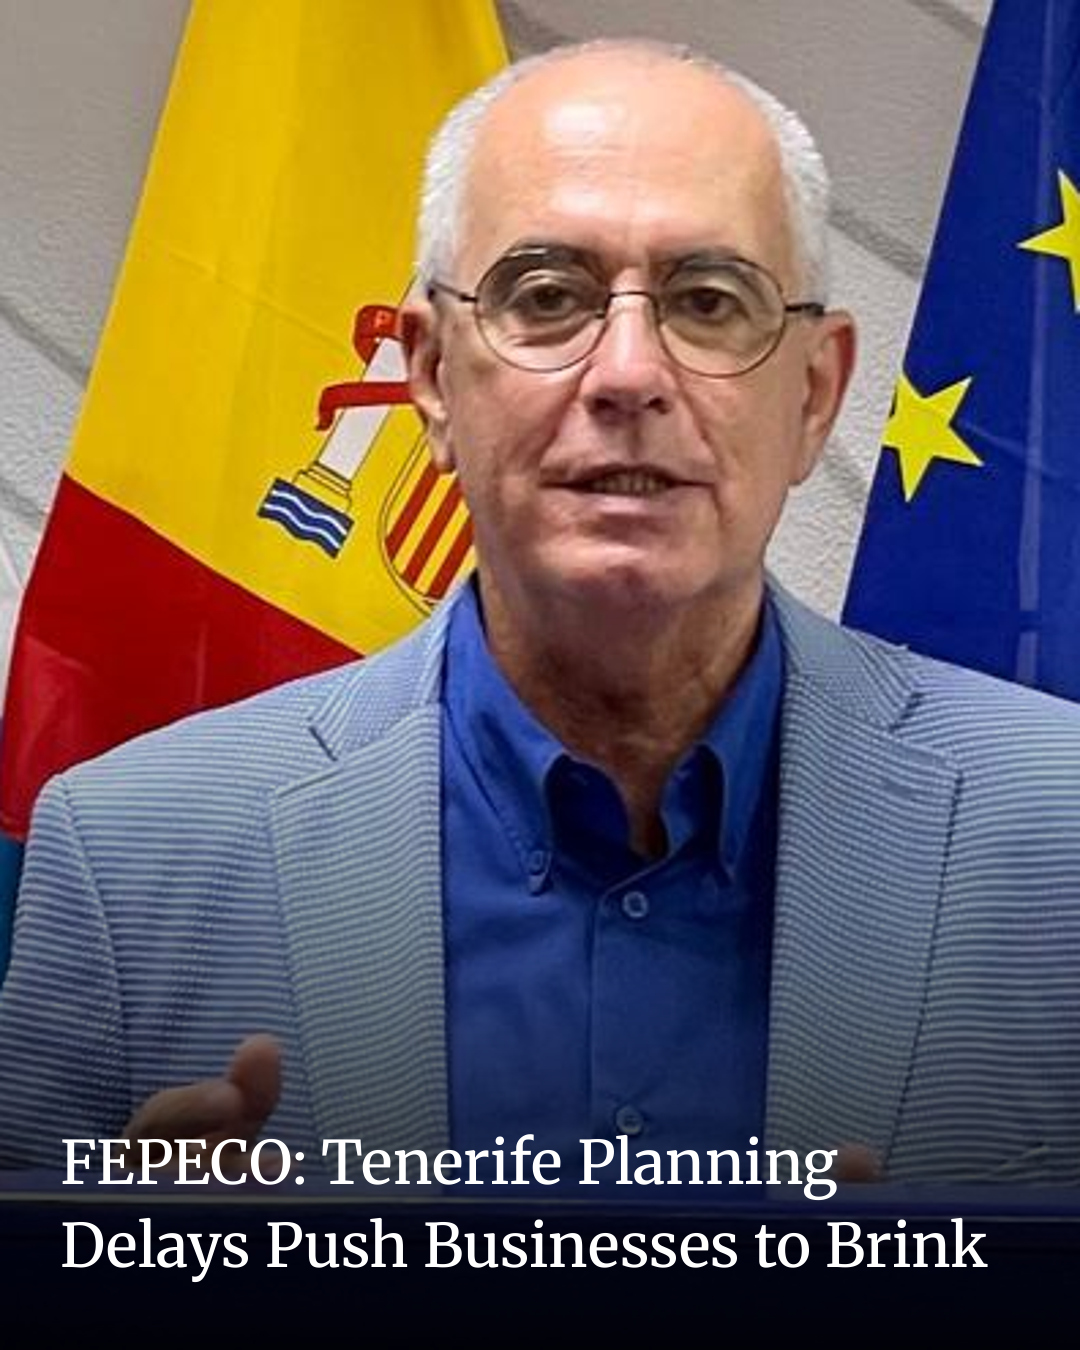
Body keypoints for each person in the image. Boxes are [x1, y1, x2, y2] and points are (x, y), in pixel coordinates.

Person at [2, 39, 1080, 1185]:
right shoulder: (132, 859)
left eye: (708, 301)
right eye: (549, 297)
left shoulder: (1057, 836)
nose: (627, 373)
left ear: (813, 394)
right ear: (430, 379)